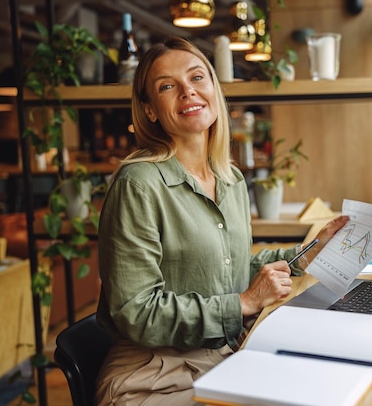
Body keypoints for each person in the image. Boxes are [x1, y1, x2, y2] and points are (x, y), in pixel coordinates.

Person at [94, 36, 349, 405]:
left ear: (214, 89)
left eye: (198, 78)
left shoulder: (230, 179)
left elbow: (228, 270)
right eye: (168, 86)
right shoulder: (138, 184)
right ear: (149, 110)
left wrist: (309, 254)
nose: (187, 91)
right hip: (154, 376)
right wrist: (243, 303)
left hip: (222, 356)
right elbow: (136, 311)